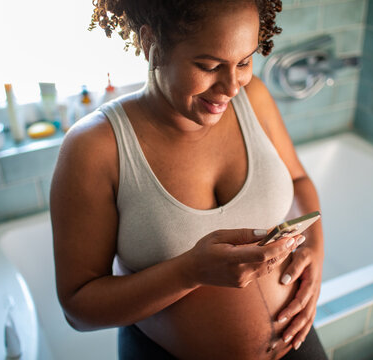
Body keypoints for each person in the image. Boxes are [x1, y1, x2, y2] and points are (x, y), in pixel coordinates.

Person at [50, 0, 327, 359]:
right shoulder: (95, 148)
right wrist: (190, 271)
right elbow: (78, 309)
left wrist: (314, 249)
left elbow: (299, 180)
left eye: (244, 61)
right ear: (152, 44)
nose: (231, 86)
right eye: (209, 65)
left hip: (296, 344)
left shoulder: (253, 97)